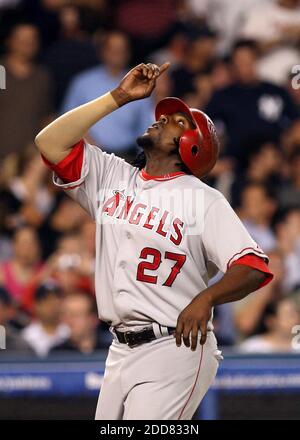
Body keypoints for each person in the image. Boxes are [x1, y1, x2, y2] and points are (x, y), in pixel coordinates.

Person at [36, 61, 273, 420]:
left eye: (177, 122)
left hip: (175, 347)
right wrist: (117, 97)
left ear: (192, 146)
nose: (162, 118)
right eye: (164, 115)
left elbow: (253, 267)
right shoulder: (112, 175)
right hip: (120, 347)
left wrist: (206, 298)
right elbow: (49, 142)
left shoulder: (203, 199)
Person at [205, 40, 299, 168]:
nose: (243, 66)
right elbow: (207, 130)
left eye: (247, 60)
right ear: (232, 65)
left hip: (275, 163)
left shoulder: (276, 91)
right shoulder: (222, 96)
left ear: (256, 60)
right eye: (238, 61)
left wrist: (286, 152)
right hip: (235, 165)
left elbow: (295, 124)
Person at [61, 31, 153, 158]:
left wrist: (142, 163)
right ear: (102, 51)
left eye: (122, 49)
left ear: (128, 52)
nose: (118, 53)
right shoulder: (82, 83)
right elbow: (67, 120)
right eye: (113, 48)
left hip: (127, 157)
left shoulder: (139, 85)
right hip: (88, 154)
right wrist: (91, 150)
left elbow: (145, 129)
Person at [0, 22, 53, 159]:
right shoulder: (1, 71)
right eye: (22, 39)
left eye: (32, 39)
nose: (28, 43)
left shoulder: (42, 76)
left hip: (30, 159)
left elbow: (45, 117)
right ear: (10, 41)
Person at [21, 281, 70, 357]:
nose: (53, 306)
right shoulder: (27, 335)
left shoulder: (69, 332)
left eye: (56, 300)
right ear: (36, 305)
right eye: (47, 301)